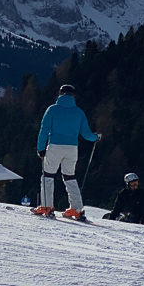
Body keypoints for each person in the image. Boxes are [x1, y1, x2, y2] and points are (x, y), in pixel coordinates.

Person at [32, 83, 100, 221]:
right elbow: (86, 134)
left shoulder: (52, 110)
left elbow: (44, 130)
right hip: (72, 148)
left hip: (55, 146)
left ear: (60, 94)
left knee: (48, 175)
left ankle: (46, 206)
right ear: (73, 96)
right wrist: (96, 137)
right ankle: (77, 209)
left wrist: (40, 149)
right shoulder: (79, 112)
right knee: (69, 176)